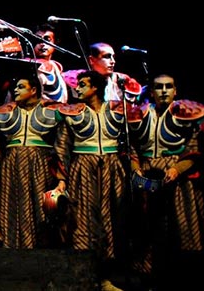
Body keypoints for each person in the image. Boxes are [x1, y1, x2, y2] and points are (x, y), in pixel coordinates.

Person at [54, 70, 144, 291]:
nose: (77, 88)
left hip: (112, 169)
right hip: (83, 168)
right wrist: (61, 179)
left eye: (83, 84)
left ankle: (107, 277)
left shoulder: (117, 110)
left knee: (111, 220)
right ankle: (83, 276)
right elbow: (61, 147)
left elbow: (129, 144)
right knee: (83, 219)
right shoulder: (72, 112)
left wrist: (136, 168)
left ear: (95, 87)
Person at [128, 74, 204, 290]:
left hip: (178, 175)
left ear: (175, 90)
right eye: (158, 87)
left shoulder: (186, 114)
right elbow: (132, 147)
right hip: (147, 174)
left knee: (180, 227)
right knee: (148, 228)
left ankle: (182, 279)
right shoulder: (140, 114)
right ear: (152, 91)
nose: (163, 91)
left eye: (168, 87)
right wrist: (136, 170)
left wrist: (176, 169)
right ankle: (149, 278)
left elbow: (194, 149)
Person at [0, 72, 68, 249]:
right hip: (11, 163)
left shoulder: (53, 110)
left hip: (39, 163)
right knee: (9, 206)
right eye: (15, 87)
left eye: (21, 87)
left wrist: (62, 178)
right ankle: (10, 248)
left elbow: (61, 145)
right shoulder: (4, 112)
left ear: (33, 90)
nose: (16, 90)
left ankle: (39, 249)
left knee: (39, 207)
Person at [63, 42, 142, 103]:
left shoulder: (120, 79)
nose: (113, 61)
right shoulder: (76, 77)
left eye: (113, 57)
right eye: (107, 57)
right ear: (91, 60)